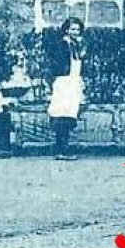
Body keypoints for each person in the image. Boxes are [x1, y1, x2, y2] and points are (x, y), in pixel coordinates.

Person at [44, 17, 86, 160]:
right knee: (62, 115)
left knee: (69, 115)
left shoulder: (76, 46)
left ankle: (64, 148)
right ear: (66, 30)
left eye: (77, 29)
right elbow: (56, 64)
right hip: (64, 82)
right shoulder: (62, 45)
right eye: (72, 29)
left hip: (73, 82)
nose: (75, 32)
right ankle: (61, 149)